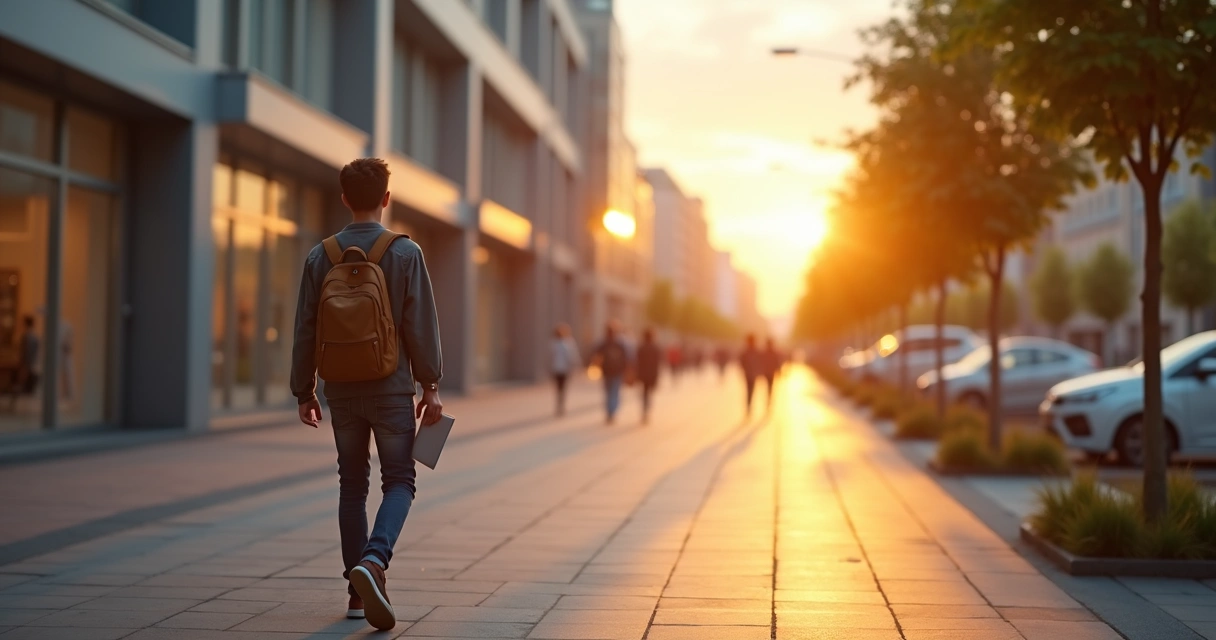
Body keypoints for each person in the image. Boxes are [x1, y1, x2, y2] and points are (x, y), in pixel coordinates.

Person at [290, 158, 444, 632]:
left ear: (343, 198)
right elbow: (420, 326)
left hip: (341, 391)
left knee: (351, 484)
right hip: (392, 389)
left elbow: (305, 328)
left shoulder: (321, 255)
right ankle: (374, 562)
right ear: (386, 198)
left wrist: (304, 390)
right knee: (400, 480)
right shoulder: (404, 252)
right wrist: (431, 384)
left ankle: (357, 596)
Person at [591, 322, 630, 425]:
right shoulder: (620, 343)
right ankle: (612, 411)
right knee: (614, 392)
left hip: (608, 371)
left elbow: (596, 356)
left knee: (608, 392)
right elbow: (626, 358)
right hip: (616, 371)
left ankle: (610, 411)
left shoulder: (604, 343)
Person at [9, 315, 39, 410]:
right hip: (30, 362)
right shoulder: (34, 336)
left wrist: (22, 362)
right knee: (22, 382)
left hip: (26, 363)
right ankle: (15, 402)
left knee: (20, 382)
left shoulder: (27, 336)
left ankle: (15, 402)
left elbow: (25, 351)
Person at [550, 323, 580, 416]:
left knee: (559, 388)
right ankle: (561, 405)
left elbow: (549, 357)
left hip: (557, 369)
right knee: (562, 388)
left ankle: (560, 405)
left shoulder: (553, 344)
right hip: (563, 369)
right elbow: (572, 357)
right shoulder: (568, 343)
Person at [636, 328, 662, 424]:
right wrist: (657, 377)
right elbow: (658, 364)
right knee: (649, 393)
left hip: (642, 375)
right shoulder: (655, 348)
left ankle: (645, 410)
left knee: (644, 393)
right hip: (652, 375)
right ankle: (647, 409)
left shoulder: (641, 347)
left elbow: (637, 362)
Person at [739, 334, 764, 416]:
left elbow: (741, 362)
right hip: (751, 374)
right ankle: (749, 405)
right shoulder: (754, 351)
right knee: (750, 390)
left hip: (749, 373)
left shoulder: (746, 351)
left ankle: (748, 405)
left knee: (749, 390)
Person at [761, 337, 784, 410]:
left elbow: (777, 363)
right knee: (770, 386)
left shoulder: (768, 353)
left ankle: (769, 398)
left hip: (769, 372)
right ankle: (769, 398)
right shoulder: (769, 353)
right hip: (769, 372)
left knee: (769, 386)